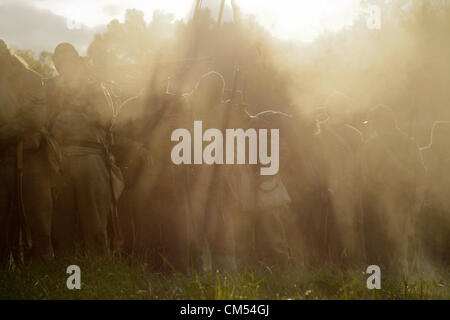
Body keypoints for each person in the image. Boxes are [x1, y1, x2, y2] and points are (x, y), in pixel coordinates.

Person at [45, 43, 123, 257]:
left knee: (95, 221)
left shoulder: (93, 87)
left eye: (67, 59)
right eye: (59, 60)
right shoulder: (50, 88)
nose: (63, 64)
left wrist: (81, 106)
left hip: (90, 156)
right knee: (62, 223)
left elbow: (107, 118)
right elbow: (43, 120)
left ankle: (98, 269)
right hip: (59, 158)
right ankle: (66, 269)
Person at [0, 40, 56, 264]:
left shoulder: (30, 79)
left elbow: (35, 117)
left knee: (37, 219)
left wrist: (4, 133)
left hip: (30, 157)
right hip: (4, 158)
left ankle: (42, 271)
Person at [362, 105, 425, 273]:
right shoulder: (409, 142)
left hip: (386, 201)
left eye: (374, 123)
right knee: (401, 243)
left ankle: (380, 285)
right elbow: (421, 173)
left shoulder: (372, 145)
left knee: (382, 245)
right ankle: (402, 283)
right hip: (401, 199)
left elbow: (366, 176)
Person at [316, 92, 365, 265]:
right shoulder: (319, 131)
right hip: (322, 186)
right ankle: (324, 264)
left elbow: (360, 164)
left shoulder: (355, 135)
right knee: (321, 227)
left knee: (348, 227)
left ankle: (348, 264)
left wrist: (352, 184)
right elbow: (314, 160)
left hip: (348, 187)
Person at [419, 121, 450, 266]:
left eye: (444, 134)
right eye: (437, 133)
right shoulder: (422, 153)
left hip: (445, 205)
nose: (440, 137)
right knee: (429, 244)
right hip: (427, 206)